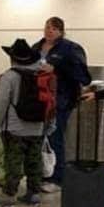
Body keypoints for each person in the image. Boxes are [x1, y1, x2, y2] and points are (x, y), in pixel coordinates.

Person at [31, 17, 91, 193]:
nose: (50, 31)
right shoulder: (36, 47)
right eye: (47, 27)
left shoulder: (71, 49)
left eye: (55, 28)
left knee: (55, 137)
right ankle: (42, 174)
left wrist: (56, 70)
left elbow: (83, 76)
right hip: (38, 100)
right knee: (39, 139)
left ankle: (58, 178)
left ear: (62, 31)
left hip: (61, 101)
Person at [0, 39, 46, 207]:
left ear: (13, 58)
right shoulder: (41, 75)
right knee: (34, 160)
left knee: (13, 161)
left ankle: (9, 195)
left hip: (14, 128)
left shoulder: (9, 76)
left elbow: (0, 105)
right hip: (37, 127)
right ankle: (33, 194)